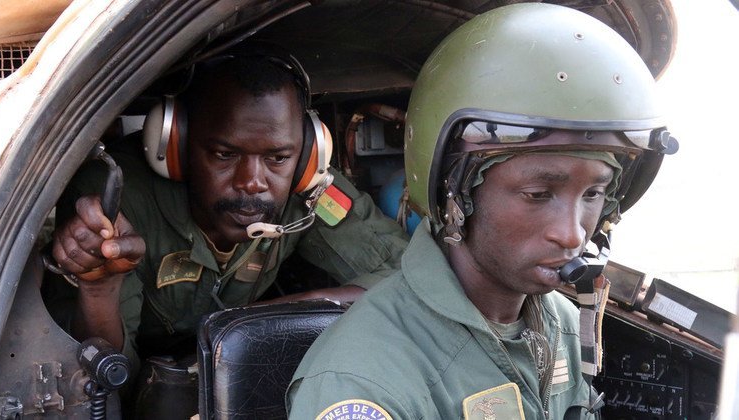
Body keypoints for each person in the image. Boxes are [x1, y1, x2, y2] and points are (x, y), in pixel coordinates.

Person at [286, 3, 679, 419]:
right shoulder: (362, 382)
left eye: (594, 193)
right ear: (454, 193)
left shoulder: (562, 320)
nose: (573, 235)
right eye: (537, 194)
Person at [48, 44, 409, 373]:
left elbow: (411, 277)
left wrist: (287, 313)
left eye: (278, 158)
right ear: (177, 147)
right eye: (225, 154)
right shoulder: (117, 200)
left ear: (307, 156)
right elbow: (109, 377)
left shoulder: (308, 186)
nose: (252, 182)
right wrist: (100, 290)